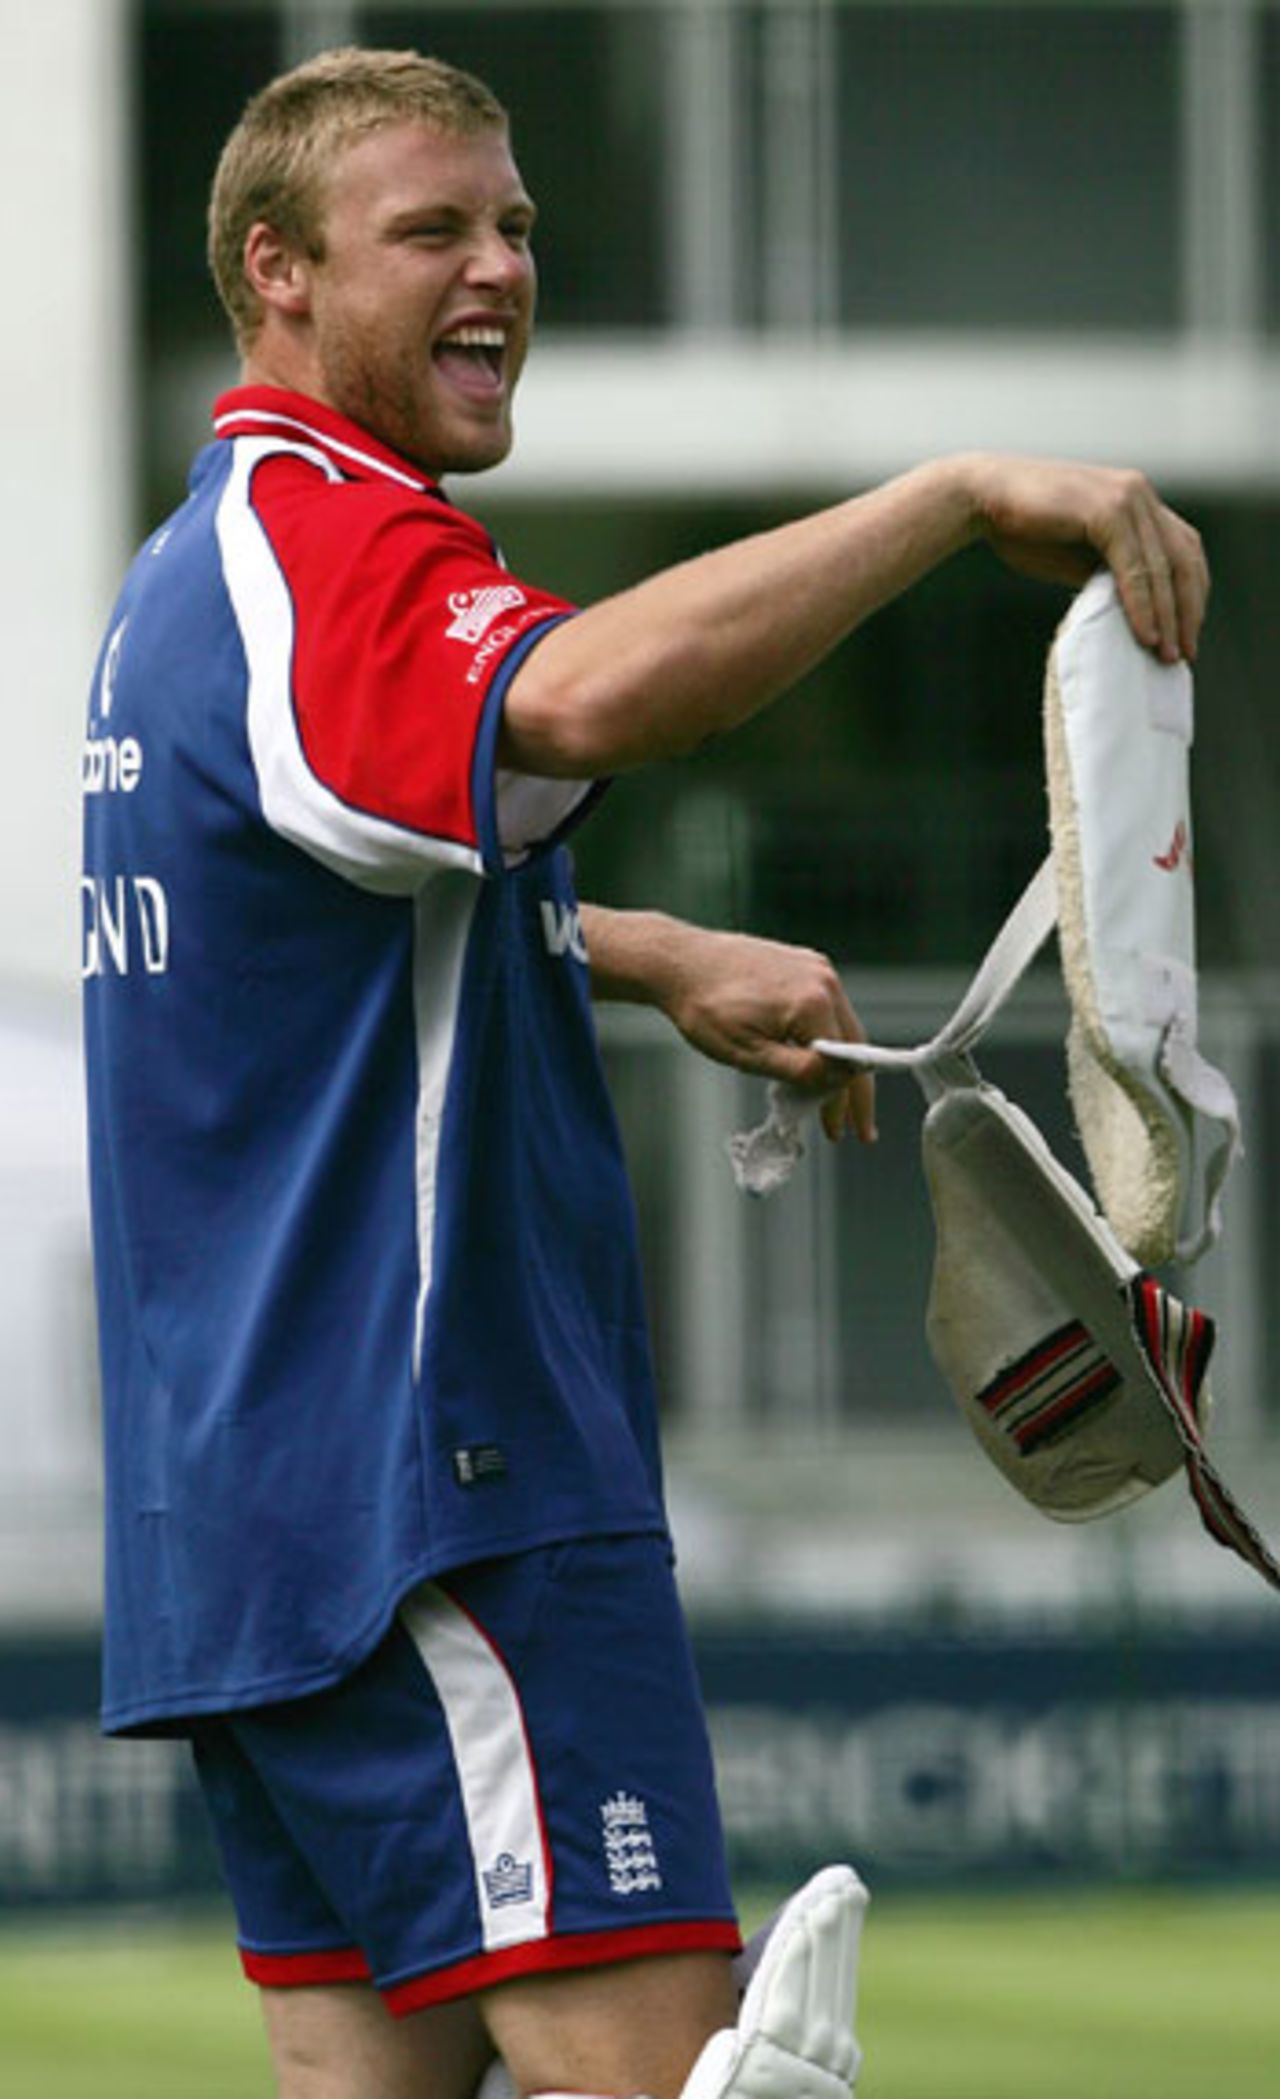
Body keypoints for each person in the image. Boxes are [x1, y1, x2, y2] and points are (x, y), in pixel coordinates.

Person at [81, 43, 1209, 2099]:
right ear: (279, 272)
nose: (500, 264)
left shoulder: (194, 581)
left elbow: (281, 962)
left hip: (259, 1526)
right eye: (432, 227)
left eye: (514, 222)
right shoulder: (335, 549)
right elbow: (591, 694)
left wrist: (632, 948)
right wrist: (944, 500)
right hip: (444, 1496)